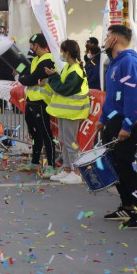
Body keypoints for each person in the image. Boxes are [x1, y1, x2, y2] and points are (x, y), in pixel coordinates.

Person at [98, 24, 137, 229]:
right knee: (114, 163)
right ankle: (126, 205)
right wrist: (102, 118)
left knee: (125, 165)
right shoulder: (114, 62)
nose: (105, 39)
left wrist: (127, 125)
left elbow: (135, 98)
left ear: (115, 40)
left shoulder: (128, 61)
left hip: (125, 121)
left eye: (108, 36)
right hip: (113, 121)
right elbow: (112, 97)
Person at [44, 39, 89, 185]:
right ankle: (67, 169)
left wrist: (52, 77)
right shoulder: (68, 68)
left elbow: (63, 89)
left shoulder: (75, 70)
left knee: (71, 142)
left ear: (67, 52)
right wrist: (54, 75)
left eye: (62, 51)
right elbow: (62, 84)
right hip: (65, 112)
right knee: (64, 141)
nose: (61, 54)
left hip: (73, 113)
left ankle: (76, 171)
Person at [17, 33, 58, 177]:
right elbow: (25, 76)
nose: (30, 48)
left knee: (46, 134)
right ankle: (35, 162)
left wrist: (26, 79)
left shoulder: (48, 59)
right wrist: (26, 79)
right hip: (31, 101)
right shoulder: (36, 60)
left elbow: (29, 79)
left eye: (32, 45)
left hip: (41, 102)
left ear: (37, 45)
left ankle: (51, 165)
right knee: (34, 134)